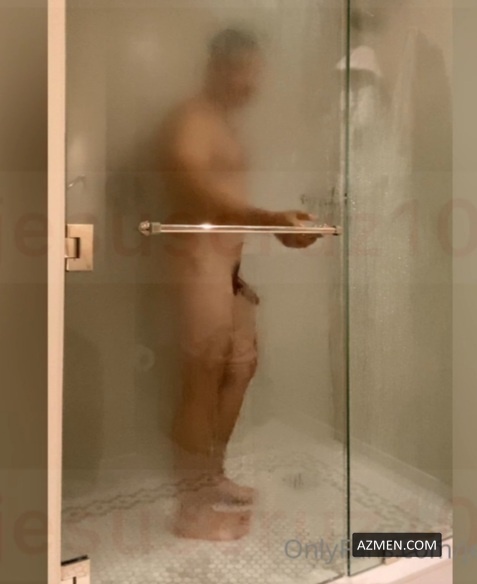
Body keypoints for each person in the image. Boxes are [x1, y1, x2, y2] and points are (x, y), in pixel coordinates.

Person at [159, 27, 320, 541]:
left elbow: (221, 200)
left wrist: (237, 273)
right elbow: (191, 186)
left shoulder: (223, 124)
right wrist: (269, 219)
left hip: (224, 269)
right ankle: (191, 511)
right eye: (244, 70)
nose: (253, 83)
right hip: (195, 266)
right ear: (219, 66)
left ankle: (211, 476)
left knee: (240, 366)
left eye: (256, 71)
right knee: (201, 380)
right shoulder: (191, 118)